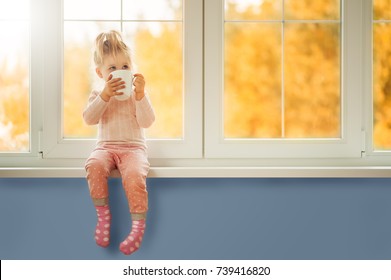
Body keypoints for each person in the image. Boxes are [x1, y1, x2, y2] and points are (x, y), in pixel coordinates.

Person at [83, 30, 155, 255]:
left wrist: (141, 95)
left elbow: (148, 121)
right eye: (112, 68)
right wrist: (105, 96)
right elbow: (88, 119)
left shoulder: (136, 95)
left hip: (133, 149)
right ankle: (103, 217)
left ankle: (137, 227)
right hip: (105, 148)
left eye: (125, 67)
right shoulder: (98, 94)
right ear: (101, 73)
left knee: (134, 175)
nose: (120, 72)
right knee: (94, 165)